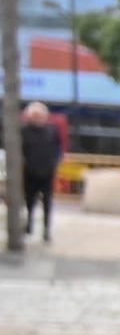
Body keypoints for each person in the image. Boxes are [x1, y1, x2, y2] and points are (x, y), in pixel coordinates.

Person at [14, 101, 56, 240]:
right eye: (35, 116)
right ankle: (29, 224)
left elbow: (58, 148)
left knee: (47, 202)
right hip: (30, 172)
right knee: (29, 200)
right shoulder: (24, 131)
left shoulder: (51, 131)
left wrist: (54, 163)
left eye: (40, 115)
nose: (38, 118)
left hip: (47, 172)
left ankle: (46, 229)